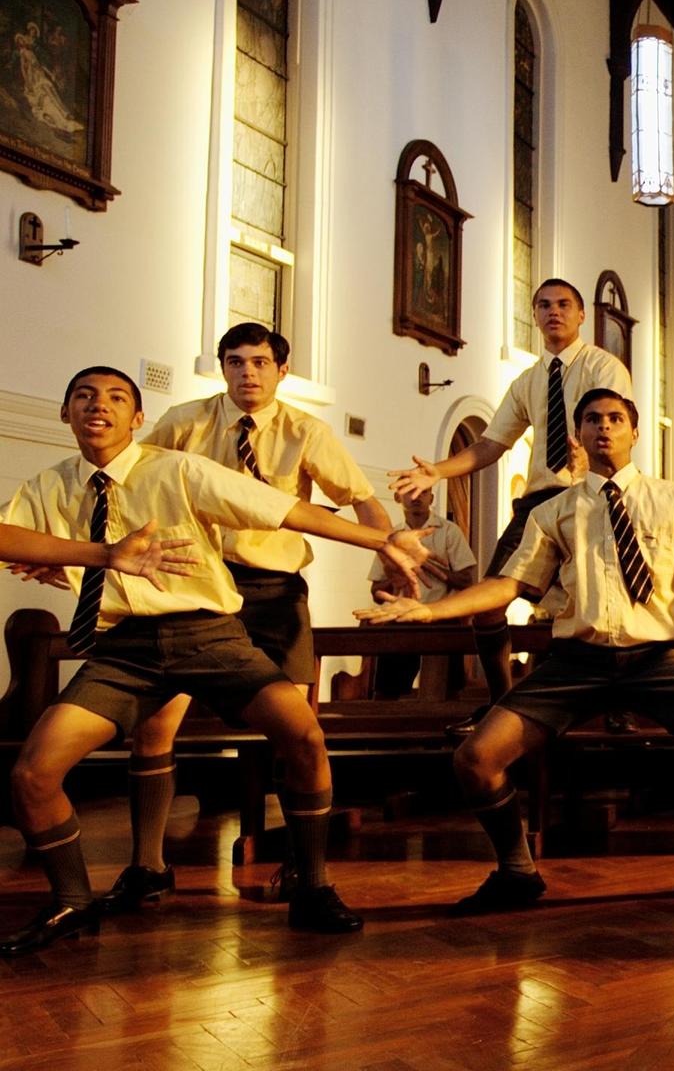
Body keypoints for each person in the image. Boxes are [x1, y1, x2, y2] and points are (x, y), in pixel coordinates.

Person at [1, 367, 429, 954]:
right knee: (32, 773)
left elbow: (284, 510)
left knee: (304, 736)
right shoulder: (50, 485)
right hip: (125, 650)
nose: (99, 405)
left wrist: (381, 539)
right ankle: (73, 901)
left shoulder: (177, 469)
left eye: (117, 397)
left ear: (138, 418)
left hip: (208, 636)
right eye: (84, 396)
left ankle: (312, 886)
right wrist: (97, 554)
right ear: (65, 413)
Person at [358, 390, 674, 912]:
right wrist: (430, 611)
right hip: (577, 662)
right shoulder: (554, 511)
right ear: (579, 436)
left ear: (634, 431)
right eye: (592, 419)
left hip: (658, 659)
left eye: (615, 418)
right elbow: (510, 583)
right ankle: (517, 871)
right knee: (476, 758)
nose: (603, 427)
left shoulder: (673, 498)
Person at [388, 280, 630, 734]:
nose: (554, 312)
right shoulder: (528, 381)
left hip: (591, 494)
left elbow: (617, 424)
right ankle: (501, 701)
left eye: (564, 305)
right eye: (544, 305)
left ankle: (615, 705)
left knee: (603, 604)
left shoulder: (603, 366)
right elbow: (491, 443)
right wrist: (438, 471)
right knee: (489, 602)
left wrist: (590, 460)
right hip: (539, 502)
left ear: (581, 315)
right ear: (534, 316)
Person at [367, 488, 479, 698]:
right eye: (409, 492)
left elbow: (467, 580)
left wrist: (429, 567)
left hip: (441, 618)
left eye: (423, 492)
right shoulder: (391, 537)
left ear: (432, 498)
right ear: (397, 497)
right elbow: (375, 591)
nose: (416, 497)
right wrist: (395, 578)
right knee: (387, 693)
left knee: (447, 692)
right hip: (401, 619)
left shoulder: (449, 531)